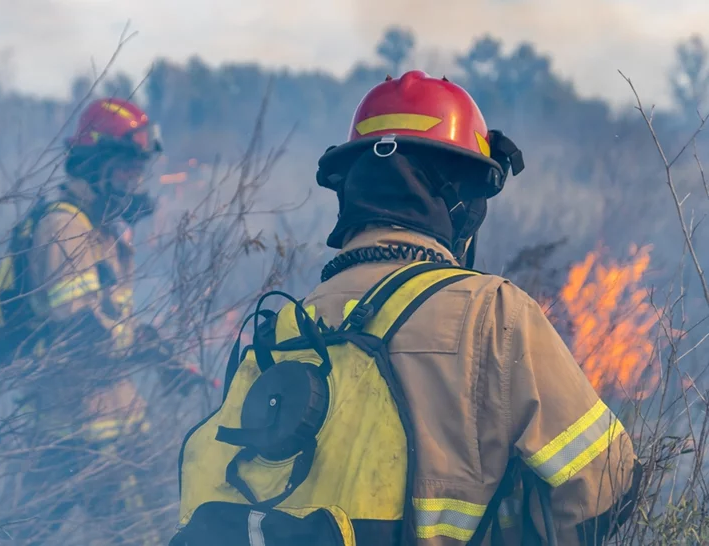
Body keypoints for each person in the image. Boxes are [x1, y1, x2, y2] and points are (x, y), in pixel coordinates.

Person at [172, 71, 642, 546]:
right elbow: (607, 480)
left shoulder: (288, 328)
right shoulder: (493, 315)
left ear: (352, 189)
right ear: (465, 202)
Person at [0, 97, 204, 545]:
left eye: (138, 171)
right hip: (80, 431)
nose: (134, 182)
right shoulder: (63, 228)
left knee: (23, 534)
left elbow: (108, 323)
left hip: (102, 423)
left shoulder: (102, 229)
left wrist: (156, 350)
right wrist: (140, 345)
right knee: (149, 536)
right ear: (96, 164)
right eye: (125, 170)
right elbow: (83, 332)